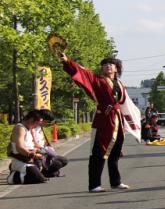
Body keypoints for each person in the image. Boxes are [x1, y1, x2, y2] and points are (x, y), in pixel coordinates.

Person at [59, 51, 140, 192]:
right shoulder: (96, 80)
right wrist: (67, 61)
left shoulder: (120, 84)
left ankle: (116, 182)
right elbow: (81, 72)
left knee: (115, 153)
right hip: (103, 119)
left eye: (111, 64)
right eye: (105, 64)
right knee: (99, 152)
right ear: (102, 68)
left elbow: (125, 104)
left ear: (116, 68)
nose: (108, 66)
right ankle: (94, 184)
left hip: (117, 120)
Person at [6, 110, 47, 185]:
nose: (36, 126)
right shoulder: (20, 128)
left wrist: (38, 151)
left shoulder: (29, 128)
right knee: (39, 177)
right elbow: (20, 147)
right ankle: (13, 177)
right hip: (21, 159)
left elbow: (32, 144)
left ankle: (27, 172)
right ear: (31, 120)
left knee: (47, 170)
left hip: (30, 158)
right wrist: (33, 155)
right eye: (36, 123)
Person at [31, 109, 69, 178]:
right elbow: (35, 143)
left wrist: (47, 147)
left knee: (63, 160)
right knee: (58, 163)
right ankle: (45, 172)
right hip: (39, 154)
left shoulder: (40, 128)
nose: (46, 124)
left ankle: (49, 172)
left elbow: (43, 142)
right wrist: (45, 149)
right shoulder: (32, 128)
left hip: (44, 153)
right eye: (47, 122)